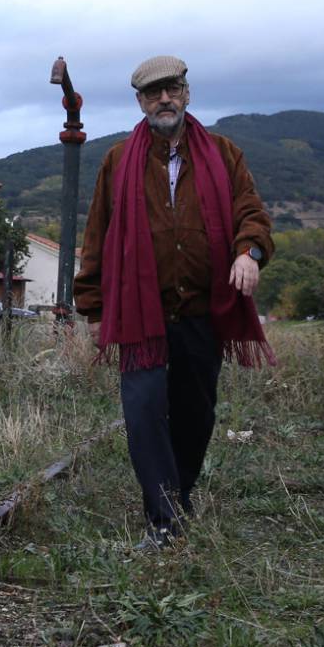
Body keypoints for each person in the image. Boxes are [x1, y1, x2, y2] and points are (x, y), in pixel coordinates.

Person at [74, 54, 275, 549]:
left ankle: (178, 498)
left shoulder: (225, 154)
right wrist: (94, 309)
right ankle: (162, 521)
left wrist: (248, 253)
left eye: (172, 89)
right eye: (152, 92)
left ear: (187, 93)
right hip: (139, 314)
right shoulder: (118, 161)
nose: (164, 98)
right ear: (140, 102)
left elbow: (251, 213)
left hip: (203, 311)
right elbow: (97, 234)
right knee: (143, 414)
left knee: (195, 414)